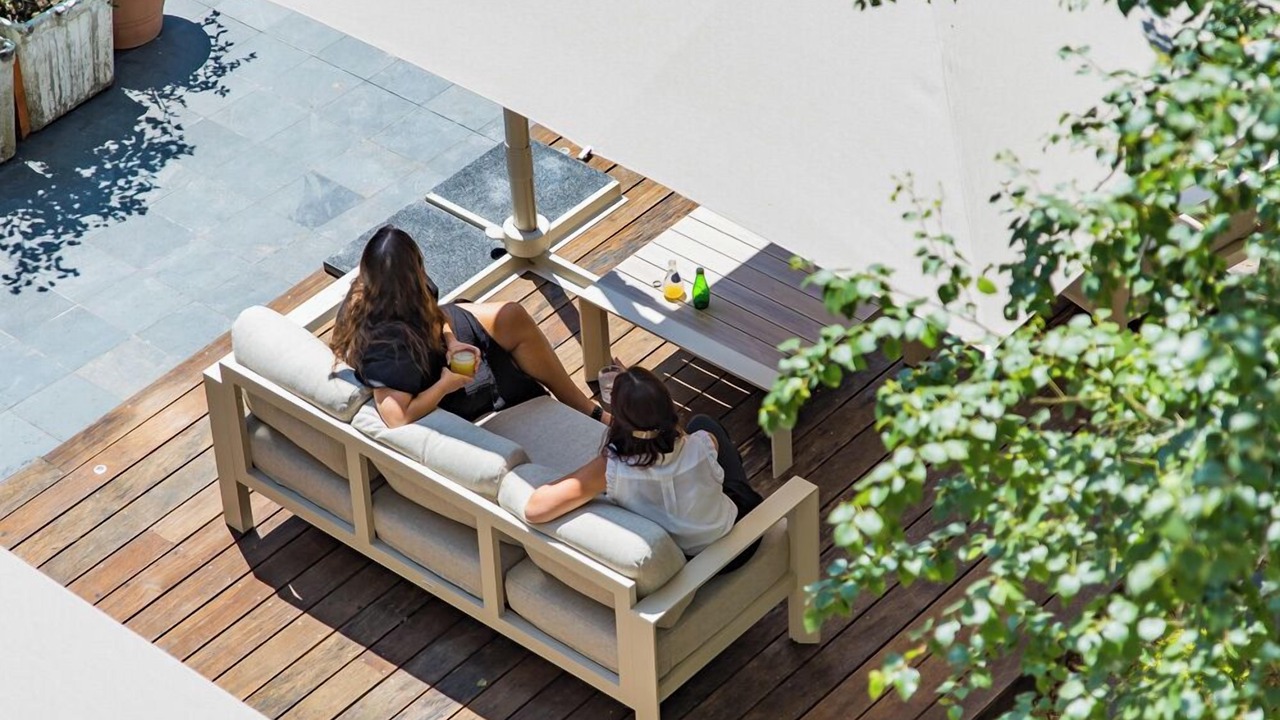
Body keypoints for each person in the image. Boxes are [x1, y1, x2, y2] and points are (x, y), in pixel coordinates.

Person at [331, 226, 607, 428]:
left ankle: (582, 407)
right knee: (510, 328)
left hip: (432, 346)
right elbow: (396, 417)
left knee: (509, 316)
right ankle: (587, 411)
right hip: (431, 378)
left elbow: (434, 316)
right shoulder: (388, 349)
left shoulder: (388, 293)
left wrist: (452, 342)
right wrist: (445, 385)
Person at [524, 367, 764, 572]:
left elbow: (535, 509)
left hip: (692, 559)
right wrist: (646, 398)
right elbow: (683, 440)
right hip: (740, 540)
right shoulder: (702, 441)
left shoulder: (612, 468)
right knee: (703, 421)